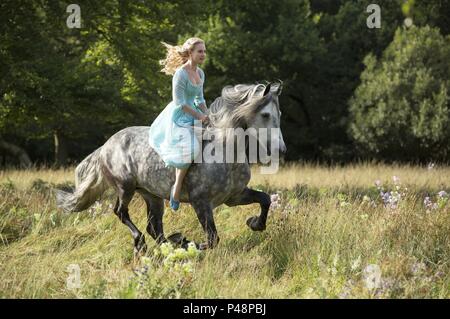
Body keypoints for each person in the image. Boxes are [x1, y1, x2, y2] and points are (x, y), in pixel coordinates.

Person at [148, 37, 209, 211]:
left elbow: (200, 98)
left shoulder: (201, 73)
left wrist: (208, 113)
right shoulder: (180, 74)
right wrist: (199, 115)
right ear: (190, 53)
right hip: (180, 116)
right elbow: (180, 103)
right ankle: (177, 186)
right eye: (200, 51)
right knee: (192, 148)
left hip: (197, 114)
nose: (203, 54)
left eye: (204, 51)